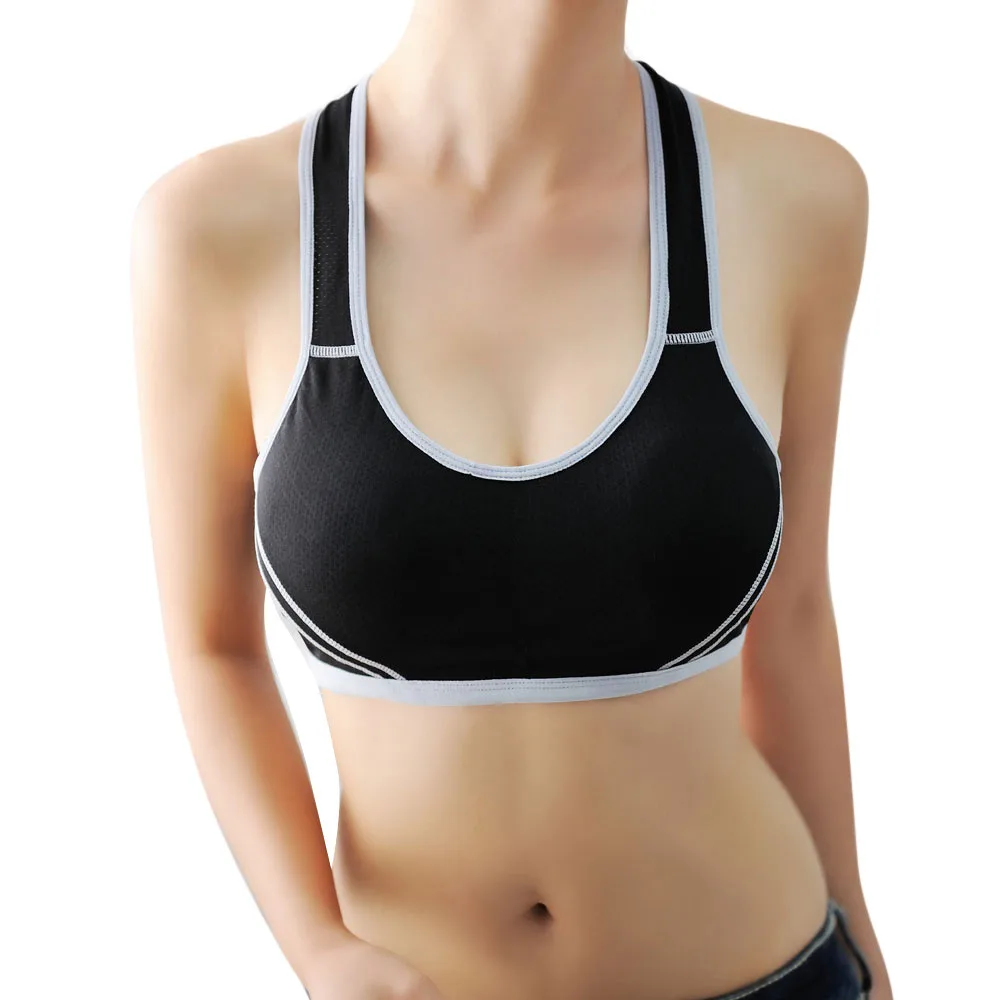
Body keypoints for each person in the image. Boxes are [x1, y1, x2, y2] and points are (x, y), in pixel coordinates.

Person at [131, 2, 891, 998]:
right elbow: (213, 646)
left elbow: (790, 619)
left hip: (771, 969)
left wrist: (862, 942)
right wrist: (317, 948)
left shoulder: (796, 196)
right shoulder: (218, 226)